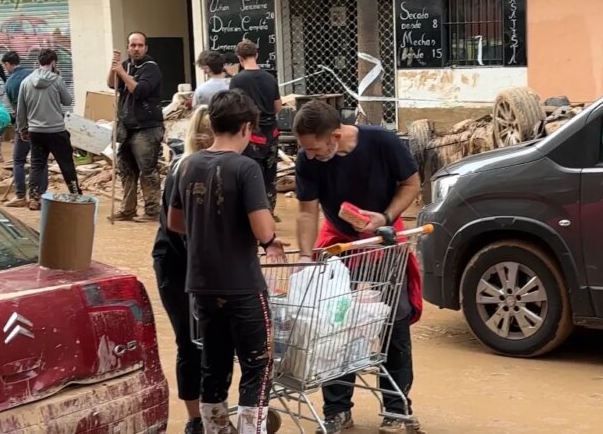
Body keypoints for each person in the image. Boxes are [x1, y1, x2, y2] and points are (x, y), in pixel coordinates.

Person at [293, 101, 424, 434]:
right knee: (333, 324)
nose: (309, 155)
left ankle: (397, 408)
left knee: (394, 322)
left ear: (336, 136)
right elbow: (307, 211)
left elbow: (411, 184)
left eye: (315, 148)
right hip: (338, 243)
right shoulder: (307, 160)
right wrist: (308, 258)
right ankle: (337, 409)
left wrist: (385, 218)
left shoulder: (383, 142)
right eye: (304, 149)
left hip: (381, 240)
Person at [167, 89, 287, 434]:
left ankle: (216, 430)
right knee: (258, 365)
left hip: (202, 285)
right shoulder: (245, 167)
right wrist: (269, 240)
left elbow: (175, 223)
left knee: (214, 365)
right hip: (242, 284)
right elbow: (263, 228)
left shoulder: (186, 165)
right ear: (248, 128)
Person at [152, 106, 212, 434]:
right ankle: (195, 418)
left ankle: (211, 412)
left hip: (203, 269)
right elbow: (181, 230)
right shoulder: (185, 170)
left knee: (211, 342)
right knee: (189, 342)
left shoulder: (217, 169)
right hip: (177, 268)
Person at [108, 31, 164, 221]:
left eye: (140, 45)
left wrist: (122, 73)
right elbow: (111, 84)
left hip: (147, 128)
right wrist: (114, 67)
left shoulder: (151, 68)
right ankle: (128, 209)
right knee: (126, 170)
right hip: (127, 128)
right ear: (128, 47)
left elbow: (139, 90)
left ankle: (152, 211)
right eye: (133, 45)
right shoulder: (125, 65)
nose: (136, 48)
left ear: (146, 48)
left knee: (147, 171)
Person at [16, 48, 81, 210]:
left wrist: (23, 130)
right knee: (66, 163)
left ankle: (34, 198)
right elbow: (67, 100)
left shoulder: (26, 82)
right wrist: (58, 79)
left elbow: (20, 110)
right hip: (56, 131)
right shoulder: (57, 80)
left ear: (38, 62)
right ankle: (75, 194)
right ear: (53, 63)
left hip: (36, 132)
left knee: (37, 165)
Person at [229, 40, 281, 213]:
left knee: (251, 176)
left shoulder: (237, 80)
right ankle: (270, 212)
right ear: (257, 54)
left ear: (239, 58)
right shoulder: (270, 78)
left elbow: (233, 108)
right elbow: (277, 107)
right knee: (270, 175)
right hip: (271, 134)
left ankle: (255, 214)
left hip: (250, 135)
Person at [1, 51, 37, 208]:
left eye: (5, 66)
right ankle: (38, 196)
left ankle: (21, 195)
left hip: (23, 126)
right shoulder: (34, 74)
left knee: (18, 160)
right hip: (41, 124)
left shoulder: (10, 83)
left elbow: (13, 110)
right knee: (38, 161)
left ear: (8, 64)